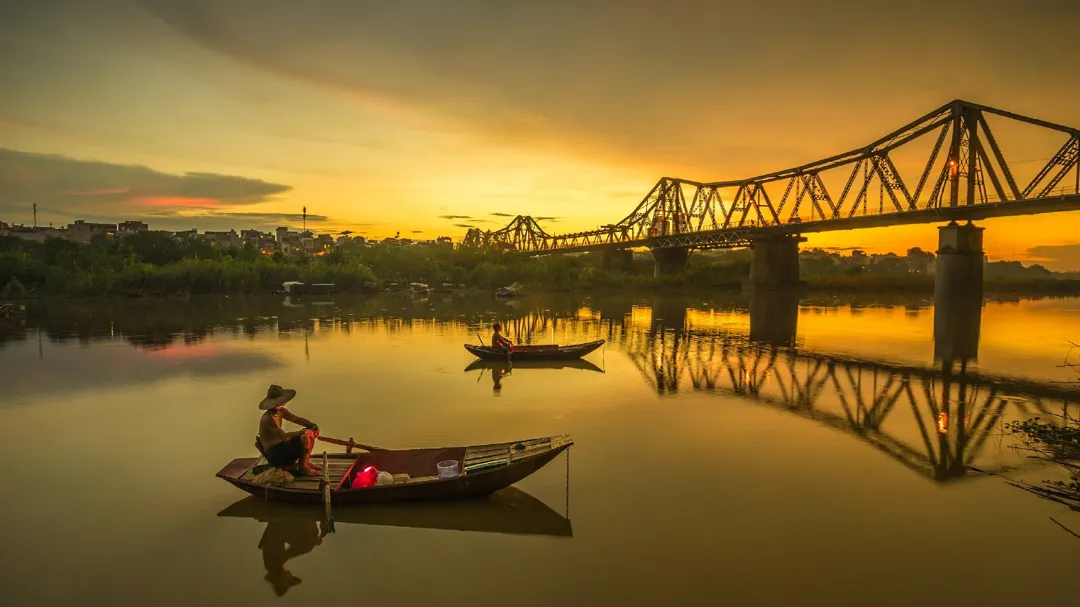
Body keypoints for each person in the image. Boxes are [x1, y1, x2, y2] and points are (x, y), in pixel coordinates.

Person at [257, 384, 321, 476]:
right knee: (305, 437)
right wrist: (303, 431)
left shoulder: (281, 411)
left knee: (310, 432)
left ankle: (306, 462)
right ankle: (303, 468)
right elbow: (284, 437)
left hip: (282, 446)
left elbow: (296, 419)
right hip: (275, 454)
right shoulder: (268, 418)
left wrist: (312, 425)